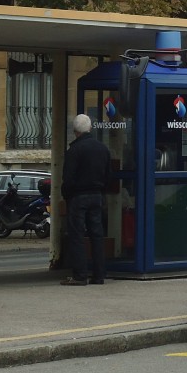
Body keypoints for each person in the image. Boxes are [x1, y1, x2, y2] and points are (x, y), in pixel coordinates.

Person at [61, 114, 111, 286]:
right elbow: (108, 176)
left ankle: (80, 275)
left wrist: (67, 195)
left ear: (75, 131)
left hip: (78, 196)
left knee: (77, 235)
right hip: (97, 195)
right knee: (97, 235)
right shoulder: (102, 149)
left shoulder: (74, 151)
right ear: (90, 128)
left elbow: (68, 178)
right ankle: (99, 274)